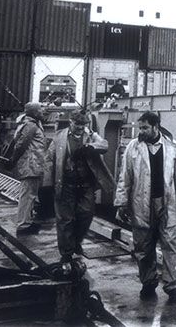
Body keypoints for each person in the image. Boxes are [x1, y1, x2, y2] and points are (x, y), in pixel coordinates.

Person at [115, 111, 176, 302]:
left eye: (145, 128)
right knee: (143, 246)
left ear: (155, 126)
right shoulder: (134, 147)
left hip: (166, 203)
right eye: (140, 127)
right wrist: (122, 202)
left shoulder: (172, 146)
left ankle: (173, 285)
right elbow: (125, 177)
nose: (141, 131)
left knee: (170, 244)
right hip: (141, 203)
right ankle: (148, 282)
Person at [43, 109, 113, 271]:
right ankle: (66, 254)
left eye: (84, 125)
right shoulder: (59, 137)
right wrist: (46, 185)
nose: (81, 128)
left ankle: (76, 242)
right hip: (66, 184)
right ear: (71, 123)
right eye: (78, 124)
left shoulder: (90, 135)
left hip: (86, 185)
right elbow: (49, 160)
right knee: (65, 220)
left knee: (85, 215)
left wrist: (90, 146)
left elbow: (105, 145)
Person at [12, 102, 46, 235]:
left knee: (30, 195)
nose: (42, 112)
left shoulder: (30, 123)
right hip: (30, 164)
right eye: (40, 110)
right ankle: (23, 225)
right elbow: (21, 144)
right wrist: (13, 160)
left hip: (33, 164)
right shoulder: (30, 126)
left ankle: (27, 221)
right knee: (27, 195)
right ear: (34, 112)